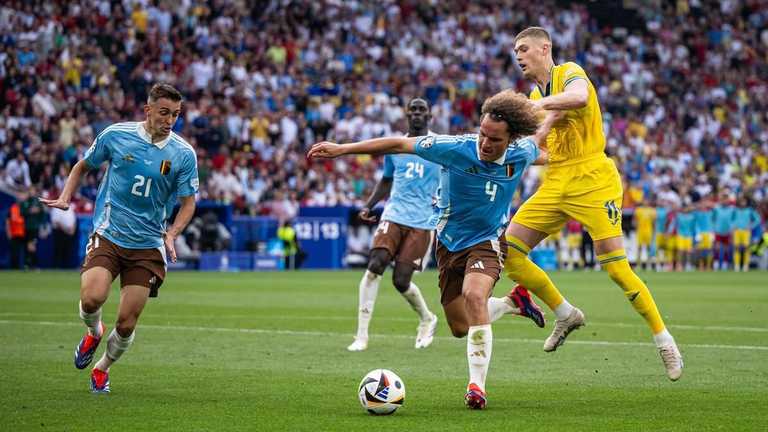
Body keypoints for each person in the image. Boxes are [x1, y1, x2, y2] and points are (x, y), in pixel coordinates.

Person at [309, 89, 553, 409]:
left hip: (487, 242)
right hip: (448, 244)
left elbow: (542, 139)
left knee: (475, 296)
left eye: (494, 139)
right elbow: (398, 144)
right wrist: (343, 149)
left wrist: (559, 111)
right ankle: (512, 303)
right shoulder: (455, 148)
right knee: (459, 326)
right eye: (482, 134)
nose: (484, 143)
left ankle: (476, 388)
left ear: (510, 139)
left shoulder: (521, 152)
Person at [499, 27, 683, 381]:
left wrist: (534, 107)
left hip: (593, 179)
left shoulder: (567, 72)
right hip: (557, 181)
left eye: (524, 49)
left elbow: (580, 98)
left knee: (615, 268)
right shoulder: (537, 93)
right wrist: (509, 154)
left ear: (544, 48)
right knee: (510, 249)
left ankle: (664, 338)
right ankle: (565, 313)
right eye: (515, 51)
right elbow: (544, 150)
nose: (518, 56)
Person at [40, 83, 199, 393]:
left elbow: (188, 202)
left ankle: (102, 369)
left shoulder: (183, 154)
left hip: (149, 244)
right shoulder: (116, 135)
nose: (170, 120)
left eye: (176, 115)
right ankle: (93, 330)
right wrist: (64, 197)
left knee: (126, 323)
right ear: (148, 110)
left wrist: (172, 233)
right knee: (92, 298)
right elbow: (82, 166)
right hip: (110, 233)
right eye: (164, 112)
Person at [347, 98, 442, 352]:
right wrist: (369, 205)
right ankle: (361, 336)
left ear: (429, 115)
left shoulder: (439, 146)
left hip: (422, 222)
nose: (417, 114)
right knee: (375, 265)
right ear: (407, 115)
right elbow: (387, 180)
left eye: (422, 110)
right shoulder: (395, 147)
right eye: (413, 110)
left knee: (401, 281)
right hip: (394, 215)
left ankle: (427, 318)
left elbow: (452, 177)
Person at [732, 196, 761, 272]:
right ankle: (737, 265)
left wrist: (750, 226)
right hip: (737, 231)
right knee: (737, 248)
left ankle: (745, 265)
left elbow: (758, 219)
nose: (742, 203)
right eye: (741, 201)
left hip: (746, 231)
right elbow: (730, 219)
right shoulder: (735, 210)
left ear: (746, 202)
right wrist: (733, 226)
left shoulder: (749, 211)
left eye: (744, 201)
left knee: (746, 248)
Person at [633, 200, 656, 270]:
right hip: (640, 231)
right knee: (639, 247)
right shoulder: (638, 210)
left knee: (649, 248)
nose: (645, 202)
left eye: (647, 201)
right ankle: (638, 264)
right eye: (644, 201)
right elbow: (635, 220)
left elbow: (654, 222)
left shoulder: (652, 211)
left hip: (648, 231)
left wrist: (654, 231)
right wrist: (635, 227)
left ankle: (649, 264)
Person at [5, 199, 25, 269]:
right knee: (14, 252)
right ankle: (14, 268)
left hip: (23, 233)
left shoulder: (24, 208)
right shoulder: (12, 208)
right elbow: (7, 221)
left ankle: (25, 267)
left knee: (23, 251)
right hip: (14, 233)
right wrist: (8, 232)